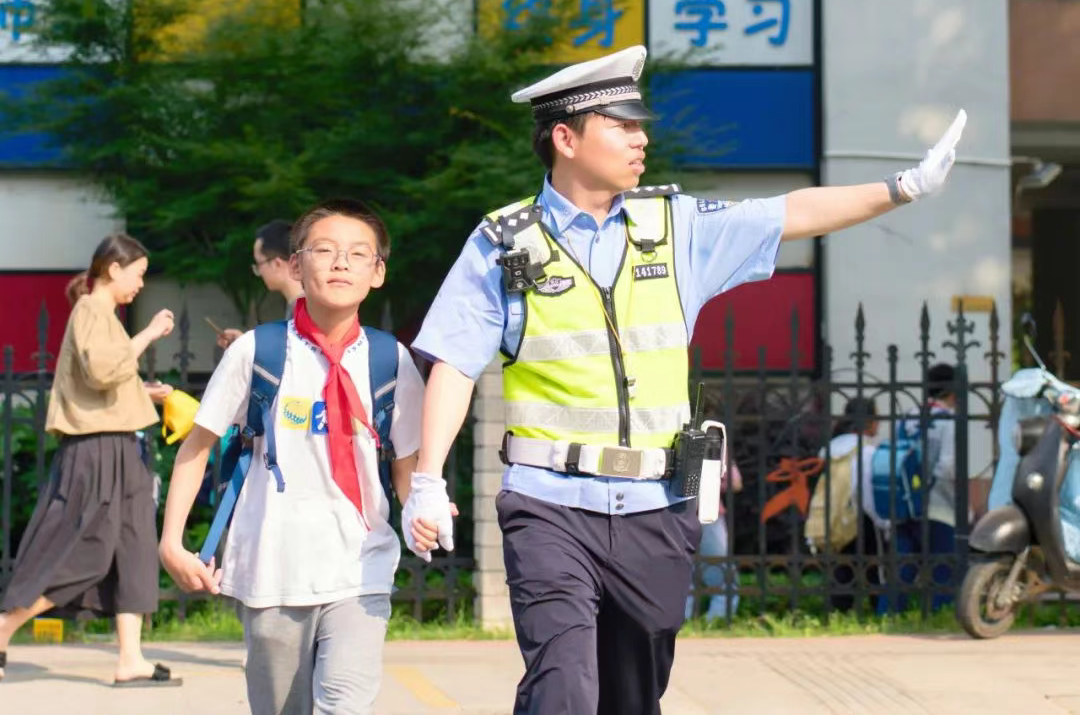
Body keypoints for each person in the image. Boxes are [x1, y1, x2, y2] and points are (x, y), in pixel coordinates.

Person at [402, 44, 966, 713]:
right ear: (565, 137)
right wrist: (428, 480)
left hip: (656, 507)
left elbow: (792, 211)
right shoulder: (504, 239)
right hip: (549, 503)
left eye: (641, 124)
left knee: (633, 697)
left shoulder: (673, 226)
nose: (642, 138)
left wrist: (904, 187)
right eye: (623, 124)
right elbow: (456, 363)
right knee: (565, 687)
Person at [158, 199, 428, 715]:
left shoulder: (389, 359)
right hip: (272, 571)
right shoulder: (255, 352)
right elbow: (196, 449)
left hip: (361, 567)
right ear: (297, 265)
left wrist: (423, 508)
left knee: (344, 707)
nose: (340, 263)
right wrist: (172, 541)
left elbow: (405, 465)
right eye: (324, 250)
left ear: (378, 272)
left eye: (357, 253)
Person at [0, 234, 178, 686]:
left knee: (133, 547)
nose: (140, 284)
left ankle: (131, 658)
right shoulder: (91, 310)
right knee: (86, 550)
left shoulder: (103, 315)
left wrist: (144, 392)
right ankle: (3, 628)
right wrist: (150, 334)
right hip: (98, 450)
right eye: (137, 274)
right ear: (114, 269)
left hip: (119, 445)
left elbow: (104, 380)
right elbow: (102, 371)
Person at [889, 363, 960, 612]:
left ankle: (890, 614)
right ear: (953, 391)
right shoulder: (948, 420)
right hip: (938, 506)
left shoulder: (909, 415)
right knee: (944, 566)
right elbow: (948, 467)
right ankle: (939, 614)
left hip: (905, 502)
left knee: (903, 566)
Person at [818, 397, 887, 612]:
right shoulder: (866, 452)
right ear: (869, 422)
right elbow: (866, 492)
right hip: (861, 518)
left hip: (832, 515)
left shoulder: (829, 449)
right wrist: (883, 522)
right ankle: (881, 613)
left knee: (841, 569)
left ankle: (838, 614)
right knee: (875, 570)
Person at [218, 219, 305, 349]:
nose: (259, 272)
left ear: (277, 264)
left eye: (259, 264)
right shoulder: (303, 304)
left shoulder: (304, 309)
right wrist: (246, 344)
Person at [685, 456, 742, 623]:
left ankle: (681, 623)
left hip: (671, 513)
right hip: (707, 514)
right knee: (722, 576)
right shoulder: (713, 434)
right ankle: (717, 622)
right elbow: (735, 482)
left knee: (679, 573)